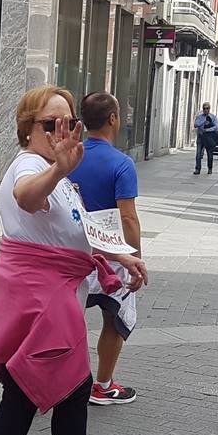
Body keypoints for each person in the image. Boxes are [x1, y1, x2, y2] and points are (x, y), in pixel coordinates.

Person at [0, 85, 148, 435]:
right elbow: (27, 196)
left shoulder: (52, 168)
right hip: (42, 298)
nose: (62, 131)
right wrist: (58, 171)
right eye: (51, 124)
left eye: (70, 123)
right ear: (28, 128)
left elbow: (77, 232)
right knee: (67, 387)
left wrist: (119, 255)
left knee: (30, 391)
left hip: (43, 295)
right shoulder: (31, 167)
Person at [68, 91, 141, 406]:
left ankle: (58, 382)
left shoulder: (70, 156)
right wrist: (135, 257)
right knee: (113, 320)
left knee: (64, 319)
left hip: (72, 252)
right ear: (113, 119)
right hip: (112, 255)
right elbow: (128, 216)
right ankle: (102, 385)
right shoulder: (122, 164)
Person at [193, 103, 218, 175]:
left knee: (209, 154)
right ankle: (197, 169)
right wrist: (203, 122)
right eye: (204, 108)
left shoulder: (213, 117)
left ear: (209, 109)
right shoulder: (199, 117)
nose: (206, 110)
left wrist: (207, 130)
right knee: (198, 154)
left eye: (207, 108)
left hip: (209, 137)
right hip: (201, 137)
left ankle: (210, 168)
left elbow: (216, 127)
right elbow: (195, 125)